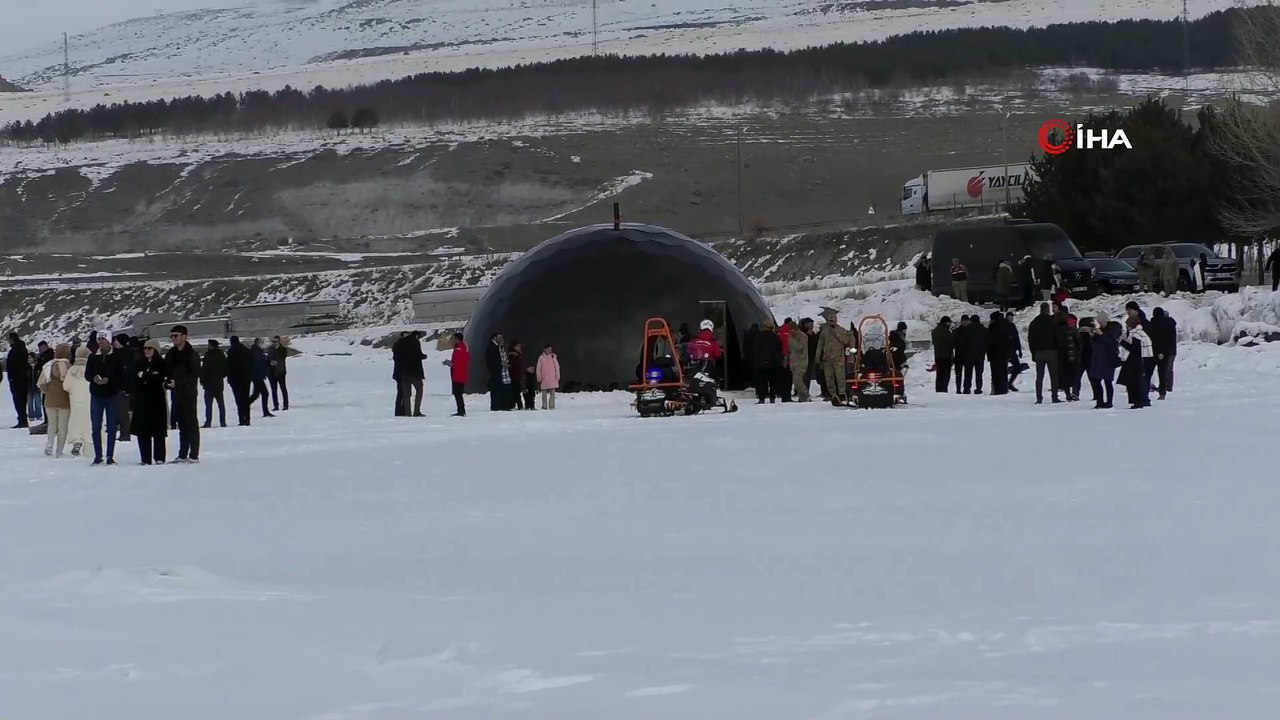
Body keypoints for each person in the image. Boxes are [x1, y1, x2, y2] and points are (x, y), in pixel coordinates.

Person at [85, 333, 128, 465]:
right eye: (99, 339)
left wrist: (109, 380)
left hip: (112, 395)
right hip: (96, 395)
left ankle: (110, 455)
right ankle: (98, 455)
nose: (101, 342)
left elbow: (122, 376)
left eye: (103, 339)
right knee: (96, 425)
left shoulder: (117, 357)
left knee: (111, 426)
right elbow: (87, 374)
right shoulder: (92, 357)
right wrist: (94, 379)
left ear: (109, 341)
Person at [165, 326, 201, 463]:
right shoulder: (171, 354)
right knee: (182, 424)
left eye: (176, 335)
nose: (173, 338)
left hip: (189, 392)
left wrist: (178, 382)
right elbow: (167, 370)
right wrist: (167, 382)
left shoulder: (192, 354)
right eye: (172, 336)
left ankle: (194, 454)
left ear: (184, 336)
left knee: (191, 422)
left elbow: (194, 373)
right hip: (176, 393)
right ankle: (183, 453)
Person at [133, 339, 170, 465]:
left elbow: (159, 378)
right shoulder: (139, 362)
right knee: (143, 430)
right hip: (142, 399)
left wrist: (144, 376)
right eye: (145, 348)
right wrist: (147, 376)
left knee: (158, 430)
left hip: (156, 400)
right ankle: (145, 458)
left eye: (149, 348)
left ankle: (159, 457)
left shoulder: (160, 363)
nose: (146, 351)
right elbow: (135, 378)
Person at [37, 343, 72, 457]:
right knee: (62, 427)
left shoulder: (48, 365)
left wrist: (47, 392)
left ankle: (49, 445)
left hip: (50, 399)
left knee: (52, 424)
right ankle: (59, 450)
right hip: (64, 401)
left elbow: (42, 383)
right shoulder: (69, 366)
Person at [814, 307, 853, 406]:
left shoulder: (841, 330)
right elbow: (820, 345)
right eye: (829, 320)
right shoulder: (824, 332)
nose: (831, 322)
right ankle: (832, 394)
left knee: (840, 378)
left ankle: (842, 394)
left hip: (838, 358)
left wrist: (835, 332)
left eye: (832, 320)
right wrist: (817, 357)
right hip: (827, 359)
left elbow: (845, 341)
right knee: (829, 378)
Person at [1027, 302, 1061, 404]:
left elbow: (1030, 339)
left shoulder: (1034, 323)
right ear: (1048, 310)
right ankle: (1054, 397)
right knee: (1054, 376)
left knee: (1039, 377)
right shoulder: (1052, 322)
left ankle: (1039, 397)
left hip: (1039, 353)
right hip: (1052, 352)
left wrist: (1033, 352)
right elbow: (1057, 337)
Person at [1119, 314, 1153, 409]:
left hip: (1135, 361)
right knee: (1137, 381)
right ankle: (1140, 400)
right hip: (1138, 360)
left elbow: (1134, 349)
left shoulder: (1136, 335)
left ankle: (1139, 401)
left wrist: (1122, 342)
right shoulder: (1139, 333)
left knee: (1136, 382)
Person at [64, 346, 92, 457]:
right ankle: (88, 445)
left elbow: (65, 386)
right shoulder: (90, 369)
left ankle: (77, 441)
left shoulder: (71, 370)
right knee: (88, 422)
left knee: (75, 420)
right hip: (89, 399)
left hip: (75, 400)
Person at [1089, 320, 1122, 409]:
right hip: (1098, 359)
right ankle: (1099, 401)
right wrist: (1093, 336)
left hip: (1108, 360)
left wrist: (1101, 334)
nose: (1100, 324)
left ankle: (1109, 402)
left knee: (1108, 381)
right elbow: (1095, 343)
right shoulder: (1101, 330)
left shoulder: (1113, 330)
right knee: (1097, 381)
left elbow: (1111, 343)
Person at [393, 330, 426, 417]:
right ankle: (416, 411)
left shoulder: (400, 343)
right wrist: (424, 356)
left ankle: (408, 412)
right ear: (416, 336)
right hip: (415, 372)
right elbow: (418, 355)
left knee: (406, 394)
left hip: (403, 373)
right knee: (419, 390)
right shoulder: (415, 342)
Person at [752, 318, 785, 404]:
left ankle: (761, 398)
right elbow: (779, 350)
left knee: (761, 382)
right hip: (773, 363)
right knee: (773, 382)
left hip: (760, 363)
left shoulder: (759, 337)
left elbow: (755, 349)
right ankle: (772, 397)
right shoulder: (775, 337)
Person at [226, 336, 254, 426]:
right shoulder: (247, 351)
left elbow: (229, 366)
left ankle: (241, 419)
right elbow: (251, 364)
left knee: (239, 400)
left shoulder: (231, 352)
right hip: (246, 379)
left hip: (236, 380)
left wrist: (229, 378)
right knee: (245, 399)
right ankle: (247, 418)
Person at [1150, 307, 1178, 399]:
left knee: (1162, 370)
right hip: (1171, 349)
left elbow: (1158, 338)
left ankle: (1165, 387)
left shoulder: (1156, 324)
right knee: (1167, 369)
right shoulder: (1171, 323)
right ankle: (1166, 387)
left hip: (1159, 350)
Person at [201, 339, 228, 428]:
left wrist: (202, 380)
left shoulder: (208, 356)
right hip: (219, 383)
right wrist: (221, 376)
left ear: (211, 346)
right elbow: (225, 368)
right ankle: (222, 422)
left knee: (208, 405)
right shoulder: (221, 355)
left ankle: (208, 422)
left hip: (209, 384)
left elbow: (204, 369)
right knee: (221, 404)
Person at [1055, 309, 1081, 402]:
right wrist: (1078, 352)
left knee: (1065, 376)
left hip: (1062, 357)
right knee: (1076, 376)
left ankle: (1068, 394)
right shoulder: (1072, 329)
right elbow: (1079, 342)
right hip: (1074, 356)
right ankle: (1075, 392)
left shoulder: (1055, 331)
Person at [111, 333, 133, 442]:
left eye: (117, 341)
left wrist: (127, 388)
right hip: (116, 386)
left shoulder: (128, 354)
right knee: (117, 411)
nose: (114, 342)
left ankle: (125, 433)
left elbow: (128, 373)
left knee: (123, 411)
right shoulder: (116, 353)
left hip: (123, 387)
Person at [442, 333, 469, 417]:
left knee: (458, 394)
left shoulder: (458, 350)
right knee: (459, 393)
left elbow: (455, 363)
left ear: (457, 339)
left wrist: (448, 363)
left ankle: (461, 410)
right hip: (462, 374)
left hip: (457, 375)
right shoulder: (465, 348)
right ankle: (461, 410)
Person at [7, 332, 29, 428]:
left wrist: (11, 378)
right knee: (23, 400)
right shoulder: (24, 349)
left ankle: (22, 419)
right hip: (24, 379)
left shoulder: (14, 351)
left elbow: (11, 366)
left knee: (18, 400)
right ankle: (23, 418)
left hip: (16, 380)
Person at [248, 338, 275, 418]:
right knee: (265, 393)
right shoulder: (256, 352)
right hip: (257, 376)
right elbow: (259, 364)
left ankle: (245, 404)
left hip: (257, 376)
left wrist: (268, 363)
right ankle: (265, 411)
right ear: (257, 343)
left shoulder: (257, 351)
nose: (263, 344)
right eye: (262, 342)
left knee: (256, 394)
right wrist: (268, 364)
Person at [958, 315, 985, 394]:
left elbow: (962, 343)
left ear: (971, 321)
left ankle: (966, 389)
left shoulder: (966, 330)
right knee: (979, 374)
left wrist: (964, 352)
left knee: (968, 374)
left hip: (968, 356)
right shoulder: (984, 330)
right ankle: (978, 388)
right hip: (980, 356)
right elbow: (987, 342)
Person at [986, 311, 1012, 395]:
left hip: (995, 354)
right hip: (1004, 353)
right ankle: (1004, 388)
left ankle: (997, 390)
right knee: (1003, 371)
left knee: (996, 373)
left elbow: (990, 341)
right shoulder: (1006, 325)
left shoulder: (993, 327)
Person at [485, 332, 512, 411]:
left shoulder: (499, 347)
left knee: (501, 388)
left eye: (502, 337)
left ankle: (503, 405)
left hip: (500, 372)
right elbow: (492, 361)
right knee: (496, 389)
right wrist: (502, 364)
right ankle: (497, 406)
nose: (501, 339)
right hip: (495, 372)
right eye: (499, 337)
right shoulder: (492, 347)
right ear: (494, 338)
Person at [788, 319, 811, 402]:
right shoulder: (791, 337)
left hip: (801, 361)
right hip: (794, 361)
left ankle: (805, 394)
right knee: (796, 380)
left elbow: (799, 347)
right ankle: (802, 396)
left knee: (797, 379)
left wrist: (792, 340)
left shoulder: (802, 336)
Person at [930, 316, 954, 393]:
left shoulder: (935, 331)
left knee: (939, 374)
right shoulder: (946, 332)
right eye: (949, 323)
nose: (950, 324)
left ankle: (938, 389)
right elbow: (951, 342)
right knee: (946, 375)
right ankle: (943, 390)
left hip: (938, 355)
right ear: (946, 323)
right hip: (946, 355)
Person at [267, 335, 290, 411]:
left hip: (280, 372)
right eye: (272, 341)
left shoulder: (283, 349)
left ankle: (285, 405)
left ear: (279, 342)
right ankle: (276, 405)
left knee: (283, 388)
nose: (273, 343)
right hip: (272, 372)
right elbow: (268, 359)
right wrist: (270, 363)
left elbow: (282, 358)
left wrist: (276, 362)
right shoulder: (270, 349)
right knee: (274, 390)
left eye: (275, 341)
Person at [535, 343, 561, 410]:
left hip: (552, 378)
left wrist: (557, 376)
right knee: (544, 394)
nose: (550, 350)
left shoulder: (553, 357)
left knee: (552, 393)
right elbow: (538, 368)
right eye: (548, 349)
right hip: (544, 378)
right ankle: (544, 406)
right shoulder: (541, 358)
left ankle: (552, 406)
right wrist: (539, 377)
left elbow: (557, 367)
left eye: (550, 349)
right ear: (545, 349)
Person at [1004, 311, 1024, 391]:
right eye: (1009, 318)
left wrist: (1019, 350)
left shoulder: (1013, 326)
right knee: (1003, 369)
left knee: (1017, 367)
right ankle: (1005, 384)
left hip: (1012, 351)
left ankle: (1010, 383)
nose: (1010, 319)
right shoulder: (1004, 326)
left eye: (1011, 318)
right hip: (1006, 351)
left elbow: (1016, 338)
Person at [508, 340, 526, 410]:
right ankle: (518, 405)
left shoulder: (516, 355)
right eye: (517, 346)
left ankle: (514, 405)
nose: (519, 348)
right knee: (516, 391)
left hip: (516, 376)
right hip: (514, 376)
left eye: (519, 346)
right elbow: (514, 365)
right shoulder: (513, 355)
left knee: (516, 391)